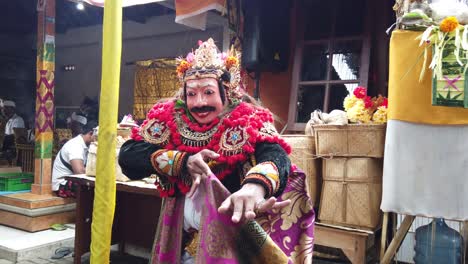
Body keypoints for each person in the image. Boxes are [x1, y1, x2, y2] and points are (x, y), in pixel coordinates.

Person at [119, 39, 315, 263]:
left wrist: (255, 186)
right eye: (191, 94)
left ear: (227, 92)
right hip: (178, 237)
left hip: (229, 242)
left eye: (208, 92)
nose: (199, 102)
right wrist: (182, 161)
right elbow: (128, 156)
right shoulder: (170, 118)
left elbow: (276, 155)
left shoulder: (248, 118)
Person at [52, 119, 97, 198]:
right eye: (97, 137)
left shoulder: (87, 146)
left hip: (72, 181)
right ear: (90, 133)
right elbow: (80, 172)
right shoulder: (75, 145)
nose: (98, 140)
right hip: (62, 185)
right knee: (94, 190)